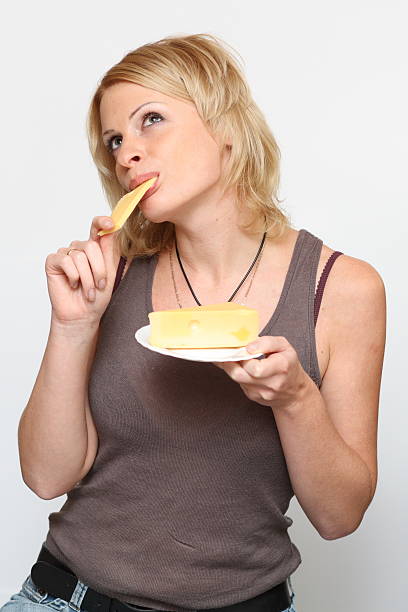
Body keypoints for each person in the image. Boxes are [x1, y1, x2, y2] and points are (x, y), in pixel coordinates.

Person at [2, 33, 386, 612]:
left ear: (227, 124)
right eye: (114, 140)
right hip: (67, 598)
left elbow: (340, 518)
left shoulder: (342, 289)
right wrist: (73, 326)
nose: (126, 153)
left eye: (150, 119)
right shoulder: (115, 274)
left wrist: (295, 399)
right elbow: (45, 477)